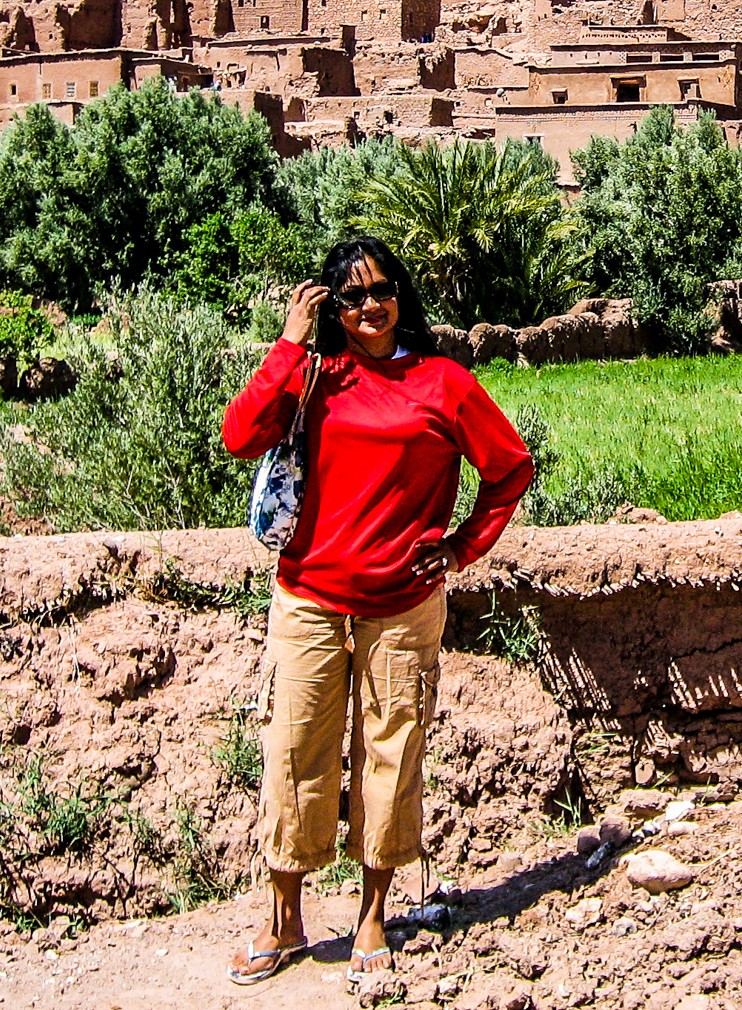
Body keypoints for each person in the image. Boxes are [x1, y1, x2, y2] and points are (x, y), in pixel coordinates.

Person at [220, 237, 533, 987]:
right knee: (296, 752)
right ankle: (285, 919)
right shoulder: (314, 377)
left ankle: (371, 916)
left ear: (402, 296)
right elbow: (240, 437)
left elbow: (510, 468)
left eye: (381, 291)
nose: (368, 307)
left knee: (391, 755)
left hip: (402, 602)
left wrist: (459, 550)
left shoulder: (443, 382)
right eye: (351, 297)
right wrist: (288, 345)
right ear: (331, 306)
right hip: (309, 596)